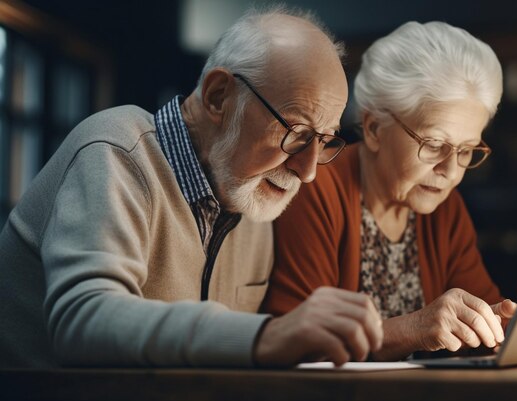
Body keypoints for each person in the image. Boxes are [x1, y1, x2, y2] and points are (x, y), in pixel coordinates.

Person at [0, 7, 383, 369]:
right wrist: (266, 335)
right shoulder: (116, 152)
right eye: (296, 133)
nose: (309, 171)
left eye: (326, 140)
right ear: (218, 95)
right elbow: (81, 321)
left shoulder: (253, 198)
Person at [262, 21, 517, 361]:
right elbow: (295, 342)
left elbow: (481, 317)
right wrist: (413, 328)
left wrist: (499, 325)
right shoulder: (316, 187)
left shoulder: (445, 208)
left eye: (467, 149)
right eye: (435, 144)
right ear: (373, 129)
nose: (451, 171)